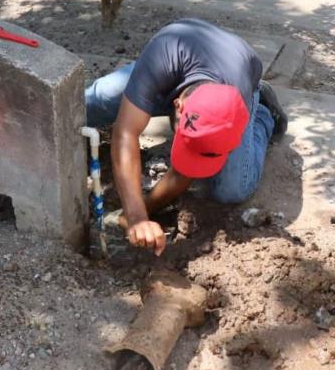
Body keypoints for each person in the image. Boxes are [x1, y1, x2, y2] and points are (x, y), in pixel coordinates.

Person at [85, 18, 288, 256]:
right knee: (92, 102)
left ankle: (262, 113)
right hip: (175, 61)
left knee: (232, 189)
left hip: (240, 77)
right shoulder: (162, 56)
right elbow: (125, 132)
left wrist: (142, 211)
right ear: (178, 106)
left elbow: (184, 172)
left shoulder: (233, 108)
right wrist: (136, 215)